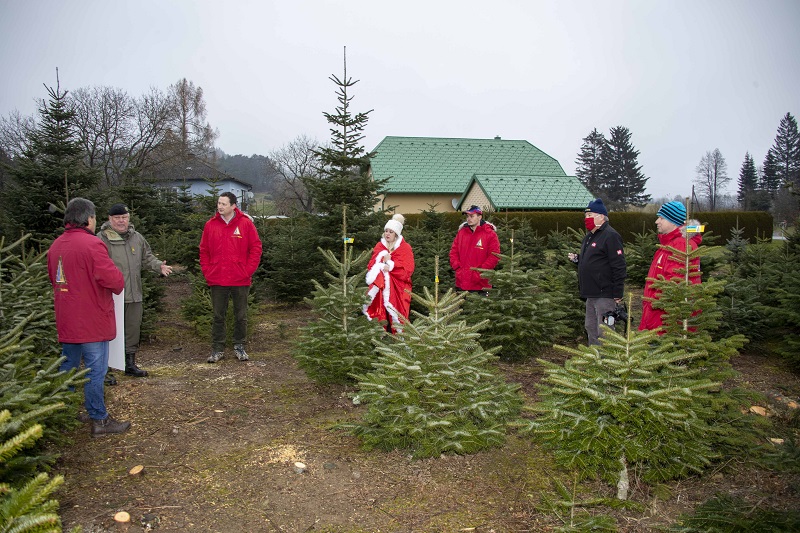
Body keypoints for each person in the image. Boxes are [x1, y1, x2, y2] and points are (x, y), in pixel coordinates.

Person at [47, 198, 131, 437]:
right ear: (89, 218)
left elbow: (53, 279)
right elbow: (113, 280)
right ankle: (99, 419)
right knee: (96, 370)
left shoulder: (55, 246)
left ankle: (63, 413)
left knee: (68, 368)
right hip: (91, 320)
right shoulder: (92, 245)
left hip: (67, 320)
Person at [98, 203, 173, 377]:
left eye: (124, 217)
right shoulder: (102, 239)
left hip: (134, 293)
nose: (121, 221)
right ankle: (105, 369)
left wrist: (158, 266)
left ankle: (129, 364)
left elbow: (147, 257)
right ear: (110, 219)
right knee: (109, 331)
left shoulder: (137, 238)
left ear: (129, 218)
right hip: (112, 296)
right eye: (117, 218)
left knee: (132, 329)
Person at [199, 192, 262, 363]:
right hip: (217, 279)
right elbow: (203, 250)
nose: (220, 207)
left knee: (240, 315)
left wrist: (247, 271)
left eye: (223, 204)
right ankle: (217, 349)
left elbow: (256, 248)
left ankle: (239, 346)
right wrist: (208, 271)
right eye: (218, 203)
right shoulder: (210, 225)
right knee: (218, 315)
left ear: (233, 206)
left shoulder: (245, 224)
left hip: (240, 279)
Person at [567, 198, 627, 345]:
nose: (586, 219)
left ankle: (607, 361)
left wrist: (618, 292)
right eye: (585, 216)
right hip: (591, 293)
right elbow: (594, 260)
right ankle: (594, 359)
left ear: (601, 216)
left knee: (604, 330)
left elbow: (619, 265)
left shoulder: (610, 235)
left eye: (590, 215)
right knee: (590, 327)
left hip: (605, 294)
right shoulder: (590, 236)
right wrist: (578, 259)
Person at [639, 201, 702, 332]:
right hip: (657, 317)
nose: (657, 221)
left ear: (673, 221)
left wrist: (654, 303)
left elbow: (673, 286)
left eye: (662, 218)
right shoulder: (667, 245)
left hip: (667, 322)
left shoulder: (680, 246)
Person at [364, 214, 415, 333]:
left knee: (398, 312)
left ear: (396, 234)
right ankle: (378, 335)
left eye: (391, 232)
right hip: (380, 285)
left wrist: (391, 265)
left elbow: (408, 268)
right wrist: (380, 262)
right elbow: (371, 264)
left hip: (399, 286)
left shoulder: (405, 248)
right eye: (386, 231)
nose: (387, 234)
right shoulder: (379, 246)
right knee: (378, 309)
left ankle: (400, 339)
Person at [449, 205, 500, 293]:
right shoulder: (461, 233)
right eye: (467, 216)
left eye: (472, 216)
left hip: (481, 285)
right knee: (463, 307)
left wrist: (480, 273)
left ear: (479, 217)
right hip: (462, 282)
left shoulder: (490, 234)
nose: (469, 219)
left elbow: (494, 256)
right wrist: (458, 268)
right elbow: (453, 252)